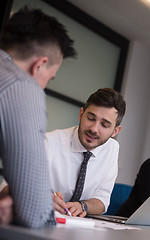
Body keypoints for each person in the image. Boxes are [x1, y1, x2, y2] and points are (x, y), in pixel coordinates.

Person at [0, 7, 76, 227]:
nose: (42, 89)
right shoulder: (22, 85)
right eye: (49, 79)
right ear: (40, 65)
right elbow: (35, 214)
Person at [48, 88, 125, 217]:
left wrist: (83, 206)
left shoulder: (112, 148)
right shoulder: (49, 142)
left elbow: (103, 200)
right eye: (90, 118)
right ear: (81, 114)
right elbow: (5, 187)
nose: (94, 129)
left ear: (115, 131)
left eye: (104, 125)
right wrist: (39, 196)